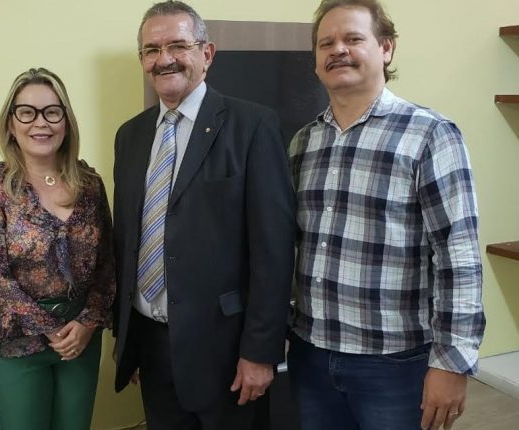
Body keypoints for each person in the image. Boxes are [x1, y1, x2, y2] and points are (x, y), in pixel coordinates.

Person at [287, 1, 486, 429]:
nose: (338, 50)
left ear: (386, 48)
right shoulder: (303, 143)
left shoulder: (430, 134)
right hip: (311, 354)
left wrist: (452, 362)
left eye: (353, 38)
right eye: (326, 43)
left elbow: (458, 255)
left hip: (394, 364)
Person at [112, 1, 296, 428]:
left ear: (207, 53)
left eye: (178, 45)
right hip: (152, 345)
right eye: (152, 49)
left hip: (227, 352)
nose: (164, 59)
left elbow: (273, 249)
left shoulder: (253, 126)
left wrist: (261, 352)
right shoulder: (130, 136)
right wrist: (127, 340)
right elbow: (127, 240)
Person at [0, 67, 115, 430]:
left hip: (79, 339)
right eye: (27, 112)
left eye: (52, 111)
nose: (40, 122)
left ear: (66, 121)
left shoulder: (90, 185)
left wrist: (87, 323)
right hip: (17, 340)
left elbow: (107, 264)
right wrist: (50, 328)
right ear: (10, 123)